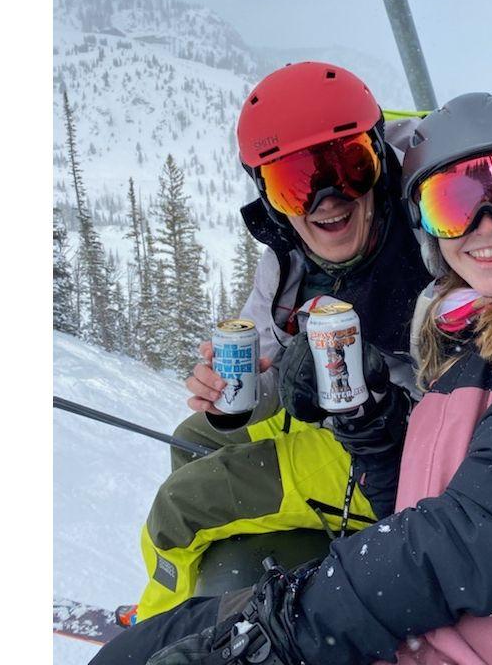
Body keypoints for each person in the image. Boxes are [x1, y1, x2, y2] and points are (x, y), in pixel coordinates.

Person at [94, 92, 492, 665]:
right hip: (418, 612)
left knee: (186, 512)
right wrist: (370, 424)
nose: (485, 225)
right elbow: (419, 498)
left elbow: (481, 533)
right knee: (149, 623)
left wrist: (283, 629)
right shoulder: (463, 327)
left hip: (459, 631)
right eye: (452, 205)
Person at [135, 62, 432, 621]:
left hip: (400, 445)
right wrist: (226, 394)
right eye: (296, 182)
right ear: (269, 195)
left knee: (180, 506)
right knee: (192, 436)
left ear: (379, 159)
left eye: (349, 168)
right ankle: (212, 596)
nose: (326, 200)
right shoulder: (288, 255)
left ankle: (158, 630)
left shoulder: (430, 232)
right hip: (333, 423)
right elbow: (267, 365)